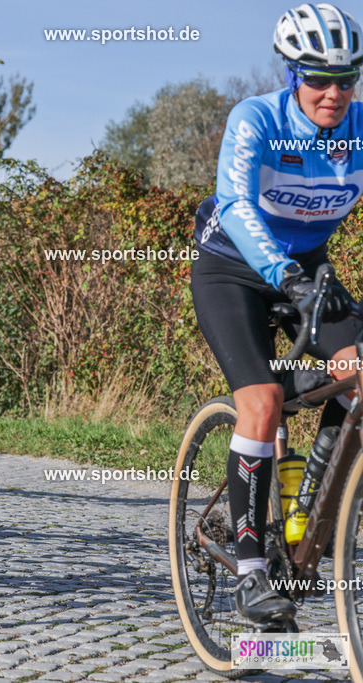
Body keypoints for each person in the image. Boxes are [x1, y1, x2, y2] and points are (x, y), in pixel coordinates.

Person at [191, 2, 363, 625]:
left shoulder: (361, 127)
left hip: (308, 268)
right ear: (292, 74)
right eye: (319, 78)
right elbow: (237, 205)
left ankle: (308, 510)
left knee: (361, 371)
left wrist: (304, 276)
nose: (335, 92)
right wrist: (286, 277)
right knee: (261, 400)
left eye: (348, 78)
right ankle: (251, 571)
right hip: (233, 266)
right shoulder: (256, 118)